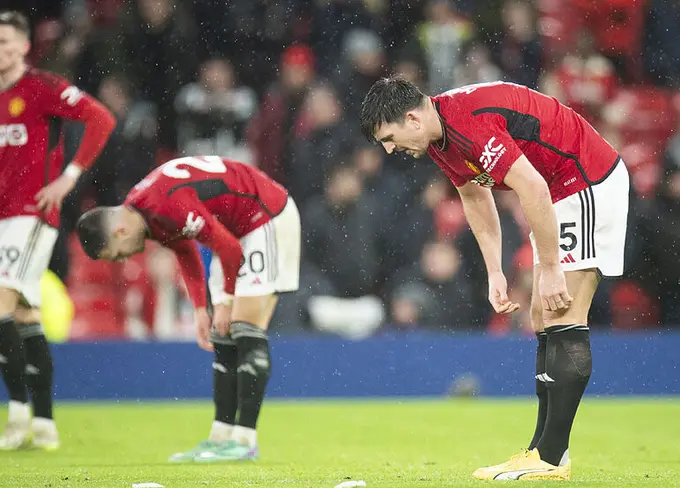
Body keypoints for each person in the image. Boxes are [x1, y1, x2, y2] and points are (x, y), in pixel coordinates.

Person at [360, 77, 629, 480]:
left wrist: (551, 268)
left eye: (389, 138)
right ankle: (542, 450)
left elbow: (531, 185)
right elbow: (474, 196)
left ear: (412, 119)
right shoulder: (439, 138)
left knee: (562, 312)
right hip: (556, 190)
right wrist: (494, 271)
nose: (389, 149)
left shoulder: (468, 123)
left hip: (584, 178)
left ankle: (551, 457)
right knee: (541, 317)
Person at [0, 11, 116, 450]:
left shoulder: (44, 87)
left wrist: (69, 177)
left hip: (32, 215)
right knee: (24, 317)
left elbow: (101, 118)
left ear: (24, 47)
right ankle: (43, 424)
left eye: (4, 42)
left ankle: (17, 416)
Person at [76, 155, 301, 462]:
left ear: (120, 232)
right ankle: (220, 438)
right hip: (236, 230)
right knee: (223, 336)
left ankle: (245, 441)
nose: (124, 259)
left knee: (244, 327)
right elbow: (184, 248)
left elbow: (229, 249)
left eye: (117, 254)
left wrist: (225, 301)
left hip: (266, 215)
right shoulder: (143, 209)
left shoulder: (165, 204)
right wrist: (200, 309)